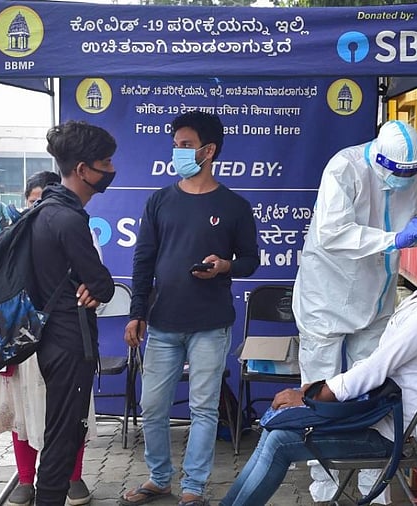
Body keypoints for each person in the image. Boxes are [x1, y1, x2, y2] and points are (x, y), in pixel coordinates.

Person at [222, 235, 417, 506]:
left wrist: (318, 395)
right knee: (275, 428)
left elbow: (377, 367)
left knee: (281, 441)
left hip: (386, 432)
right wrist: (319, 390)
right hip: (374, 413)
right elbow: (375, 366)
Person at [292, 120, 417, 501]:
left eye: (410, 173)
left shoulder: (415, 170)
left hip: (377, 291)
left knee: (372, 387)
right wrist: (395, 239)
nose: (402, 180)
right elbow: (333, 232)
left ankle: (372, 485)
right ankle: (324, 485)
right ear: (377, 158)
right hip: (328, 292)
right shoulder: (345, 168)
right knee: (321, 387)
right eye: (396, 173)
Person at [120, 111, 259, 506]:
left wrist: (226, 266)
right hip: (162, 323)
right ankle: (159, 478)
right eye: (176, 145)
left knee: (203, 407)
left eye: (185, 145)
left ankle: (193, 487)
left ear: (208, 150)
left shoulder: (234, 205)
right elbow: (143, 261)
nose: (177, 151)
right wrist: (137, 312)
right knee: (153, 406)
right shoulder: (160, 201)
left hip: (211, 324)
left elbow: (250, 259)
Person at [0, 169, 96, 506]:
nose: (38, 207)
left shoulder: (74, 228)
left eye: (44, 200)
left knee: (67, 414)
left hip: (64, 338)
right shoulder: (16, 237)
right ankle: (25, 478)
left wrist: (93, 290)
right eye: (33, 201)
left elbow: (95, 284)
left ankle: (73, 476)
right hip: (24, 340)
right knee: (22, 411)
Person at [29, 121, 116, 505]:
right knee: (63, 439)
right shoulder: (68, 218)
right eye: (105, 162)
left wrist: (94, 285)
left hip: (51, 340)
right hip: (69, 343)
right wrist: (96, 287)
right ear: (83, 169)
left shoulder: (45, 208)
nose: (111, 170)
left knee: (59, 434)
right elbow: (101, 284)